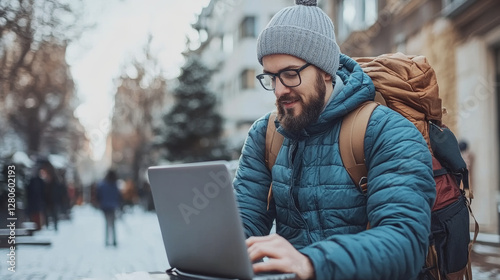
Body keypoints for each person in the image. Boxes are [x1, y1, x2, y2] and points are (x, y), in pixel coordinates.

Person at [232, 1, 436, 279]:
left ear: (326, 70)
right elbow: (243, 224)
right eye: (271, 77)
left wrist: (310, 262)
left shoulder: (387, 132)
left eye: (290, 74)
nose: (279, 90)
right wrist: (212, 249)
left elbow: (405, 244)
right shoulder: (264, 134)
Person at [96, 169, 122, 247]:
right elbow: (118, 196)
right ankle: (114, 241)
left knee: (107, 223)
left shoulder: (102, 184)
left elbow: (99, 195)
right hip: (113, 206)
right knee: (113, 224)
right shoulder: (115, 185)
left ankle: (107, 241)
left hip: (105, 206)